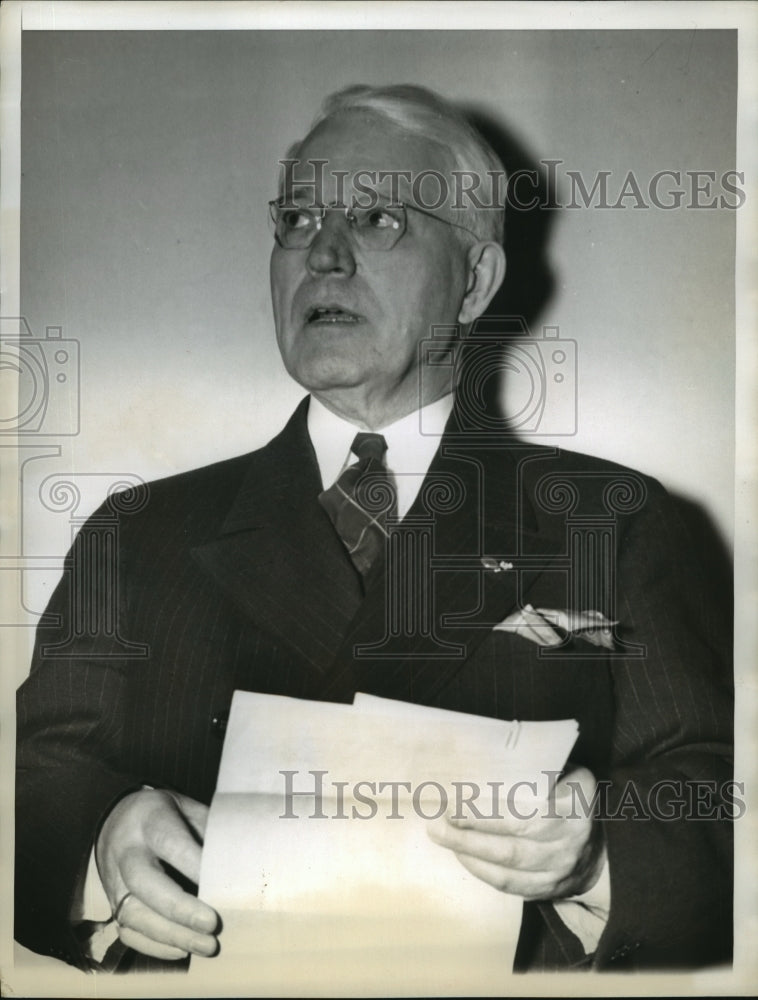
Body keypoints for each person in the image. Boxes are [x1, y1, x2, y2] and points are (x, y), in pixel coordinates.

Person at [16, 84, 733, 974]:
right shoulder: (138, 533)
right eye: (297, 218)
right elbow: (32, 782)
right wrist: (100, 844)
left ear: (474, 282)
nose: (322, 253)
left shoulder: (612, 524)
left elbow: (712, 801)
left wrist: (598, 857)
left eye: (380, 218)